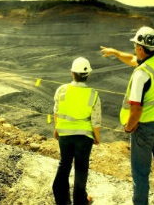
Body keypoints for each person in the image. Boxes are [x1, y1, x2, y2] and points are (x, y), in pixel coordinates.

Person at [100, 26, 154, 205]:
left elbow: (136, 109)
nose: (134, 49)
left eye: (136, 45)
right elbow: (132, 60)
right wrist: (115, 52)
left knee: (140, 174)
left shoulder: (141, 74)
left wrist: (129, 127)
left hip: (145, 129)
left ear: (140, 48)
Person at [52, 57, 102, 205]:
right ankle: (80, 201)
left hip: (65, 135)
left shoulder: (61, 90)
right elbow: (96, 120)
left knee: (64, 163)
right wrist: (96, 137)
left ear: (72, 73)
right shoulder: (93, 94)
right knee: (81, 168)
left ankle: (61, 199)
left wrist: (57, 130)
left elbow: (57, 112)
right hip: (84, 137)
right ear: (88, 75)